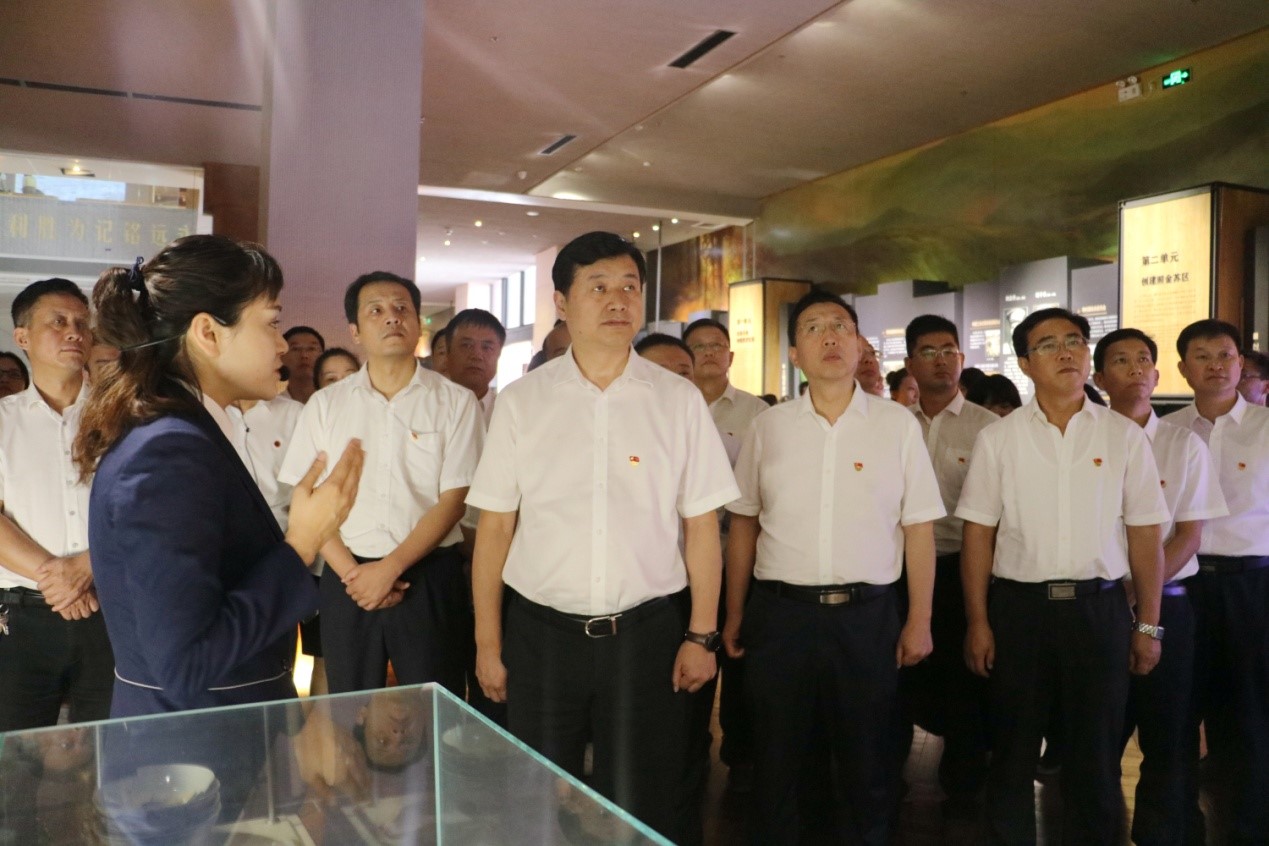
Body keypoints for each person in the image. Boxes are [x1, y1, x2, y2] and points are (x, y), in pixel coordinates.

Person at [467, 231, 738, 842]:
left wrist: (701, 634)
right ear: (562, 302)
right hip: (541, 635)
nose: (618, 300)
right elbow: (496, 527)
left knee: (641, 802)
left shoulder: (677, 400)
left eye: (629, 287)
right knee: (536, 798)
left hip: (645, 635)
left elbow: (701, 526)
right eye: (598, 287)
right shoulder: (522, 402)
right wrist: (488, 642)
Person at [74, 235, 364, 717]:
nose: (282, 344)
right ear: (208, 332)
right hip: (197, 745)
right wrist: (303, 543)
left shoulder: (185, 431)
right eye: (271, 322)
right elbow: (187, 661)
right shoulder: (168, 452)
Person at [722, 290, 942, 845]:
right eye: (814, 327)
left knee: (869, 757)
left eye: (841, 325)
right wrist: (734, 612)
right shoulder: (769, 427)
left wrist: (919, 619)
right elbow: (744, 523)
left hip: (867, 617)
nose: (830, 336)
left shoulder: (896, 425)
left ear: (860, 344)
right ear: (795, 353)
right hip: (781, 615)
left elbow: (918, 528)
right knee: (778, 757)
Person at [956, 307, 1167, 844]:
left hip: (1099, 611)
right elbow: (978, 536)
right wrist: (978, 621)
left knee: (1095, 757)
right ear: (1026, 364)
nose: (1066, 352)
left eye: (1074, 340)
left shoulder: (1123, 436)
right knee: (1012, 751)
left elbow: (1145, 536)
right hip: (1019, 611)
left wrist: (1148, 625)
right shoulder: (999, 438)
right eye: (1047, 344)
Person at [279, 271, 482, 697]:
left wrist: (389, 569)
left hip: (427, 576)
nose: (392, 317)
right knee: (348, 707)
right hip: (345, 575)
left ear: (418, 323)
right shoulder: (325, 404)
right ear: (354, 330)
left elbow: (454, 500)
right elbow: (306, 497)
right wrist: (354, 575)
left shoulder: (456, 402)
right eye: (376, 310)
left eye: (402, 308)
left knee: (434, 706)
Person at [1092, 327, 1227, 846]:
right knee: (1098, 734)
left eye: (1143, 359)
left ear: (1157, 373)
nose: (1135, 368)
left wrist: (1136, 593)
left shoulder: (1182, 443)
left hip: (1167, 606)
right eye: (1120, 360)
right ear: (1099, 378)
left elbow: (1190, 534)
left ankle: (1163, 834)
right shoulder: (1085, 439)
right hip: (1096, 608)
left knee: (1170, 734)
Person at [1162, 319, 1269, 844]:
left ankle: (1250, 827)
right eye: (1201, 357)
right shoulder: (1167, 432)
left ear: (1240, 363)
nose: (1215, 366)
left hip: (1252, 586)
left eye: (1225, 355)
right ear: (1183, 369)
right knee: (1178, 708)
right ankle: (1180, 826)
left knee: (1251, 714)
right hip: (1182, 583)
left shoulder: (1266, 426)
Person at [0, 278, 113, 730]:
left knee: (111, 745)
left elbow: (146, 513)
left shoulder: (121, 415)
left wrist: (87, 566)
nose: (74, 333)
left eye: (82, 324)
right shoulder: (3, 420)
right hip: (23, 616)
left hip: (110, 607)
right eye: (58, 322)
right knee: (15, 751)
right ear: (22, 337)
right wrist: (58, 578)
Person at [900, 314, 999, 827]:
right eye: (929, 351)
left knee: (965, 682)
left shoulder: (989, 428)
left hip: (963, 569)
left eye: (950, 350)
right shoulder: (893, 424)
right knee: (896, 678)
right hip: (898, 570)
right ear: (910, 363)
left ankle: (963, 787)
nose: (941, 360)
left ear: (962, 358)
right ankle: (888, 777)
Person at [682, 316, 770, 794]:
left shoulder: (757, 414)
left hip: (736, 561)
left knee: (738, 663)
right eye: (699, 346)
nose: (710, 353)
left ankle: (740, 756)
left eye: (717, 345)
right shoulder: (670, 405)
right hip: (680, 565)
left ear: (731, 356)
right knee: (686, 659)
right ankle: (689, 749)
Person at [446, 308, 505, 427]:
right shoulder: (427, 406)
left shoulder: (508, 411)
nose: (477, 355)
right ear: (448, 352)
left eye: (487, 347)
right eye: (467, 345)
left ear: (499, 354)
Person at [282, 325, 325, 404]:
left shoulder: (334, 400)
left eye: (311, 349)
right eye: (295, 349)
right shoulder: (268, 404)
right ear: (281, 357)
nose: (304, 355)